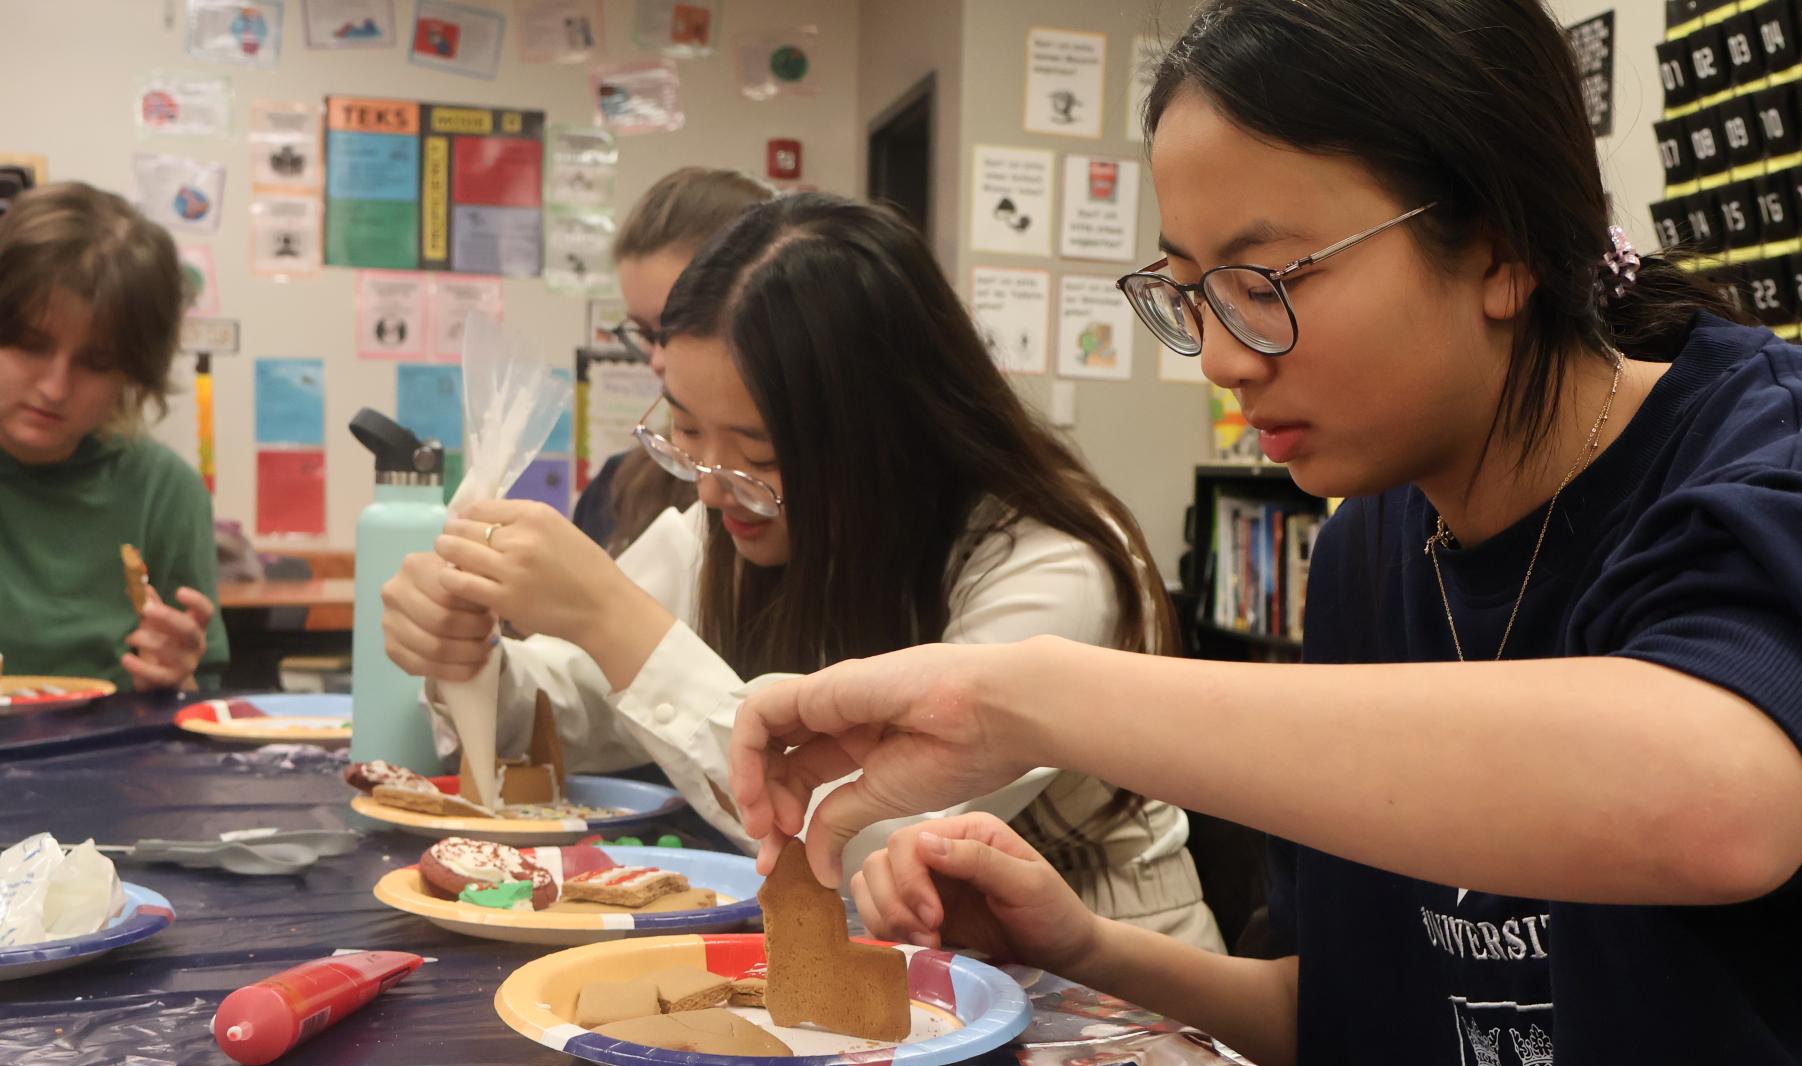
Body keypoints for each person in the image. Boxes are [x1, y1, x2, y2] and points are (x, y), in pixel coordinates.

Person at [724, 0, 1802, 1066]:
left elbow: (1716, 800)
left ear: (1500, 241)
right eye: (1188, 291)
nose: (1221, 358)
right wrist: (1084, 951)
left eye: (1264, 277)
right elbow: (1358, 1024)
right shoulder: (1371, 554)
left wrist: (1028, 693)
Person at [382, 193, 1224, 949]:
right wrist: (470, 657)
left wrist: (612, 619)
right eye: (684, 432)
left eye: (761, 453)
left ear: (891, 433)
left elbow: (897, 846)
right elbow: (572, 713)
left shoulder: (1046, 564)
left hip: (1105, 995)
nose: (710, 488)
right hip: (864, 974)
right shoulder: (729, 525)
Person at [0, 182, 226, 690]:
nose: (55, 388)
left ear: (132, 372)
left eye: (95, 363)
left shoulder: (164, 492)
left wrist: (177, 675)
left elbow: (198, 705)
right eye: (31, 346)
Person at [571, 167, 772, 554]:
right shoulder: (619, 488)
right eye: (646, 334)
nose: (658, 361)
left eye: (681, 326)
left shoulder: (802, 509)